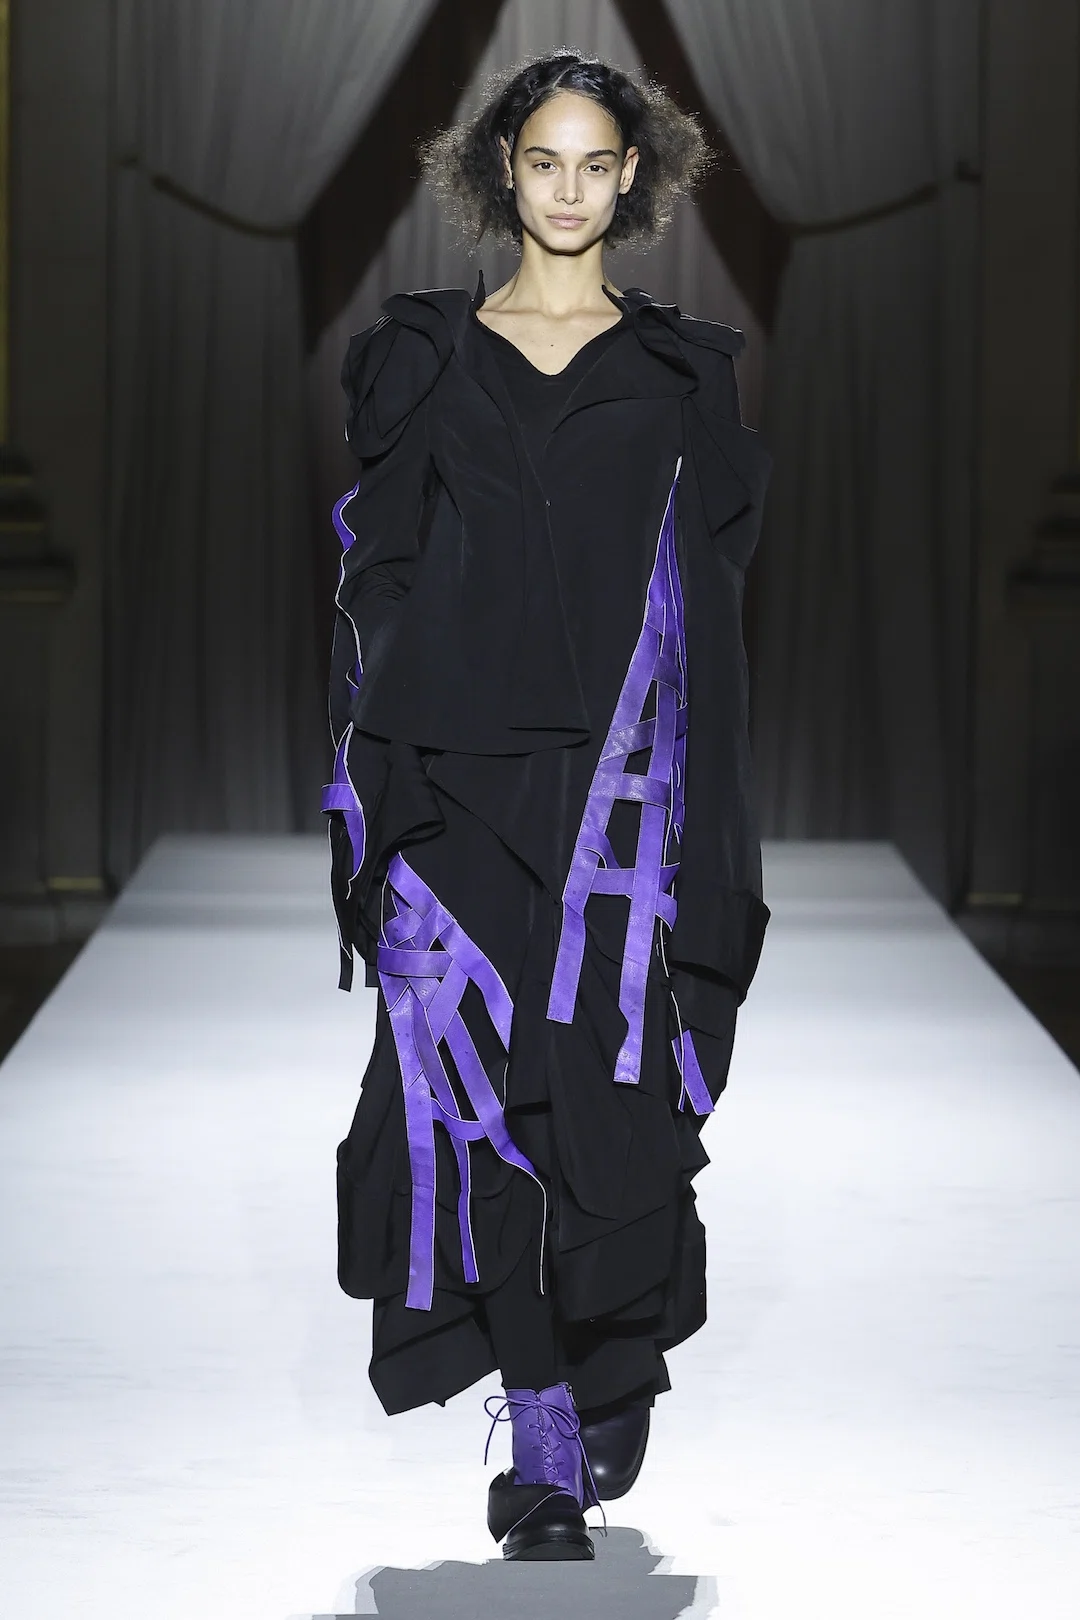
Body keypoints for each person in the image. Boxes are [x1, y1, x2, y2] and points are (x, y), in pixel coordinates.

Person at [322, 48, 772, 1561]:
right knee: (473, 1102)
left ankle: (611, 1354)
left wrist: (709, 819)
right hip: (454, 782)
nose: (569, 189)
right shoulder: (422, 358)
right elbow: (377, 576)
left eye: (595, 164)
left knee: (604, 1098)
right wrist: (375, 786)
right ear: (500, 172)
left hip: (619, 803)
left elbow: (713, 607)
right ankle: (542, 1437)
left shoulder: (681, 374)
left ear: (631, 177)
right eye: (543, 162)